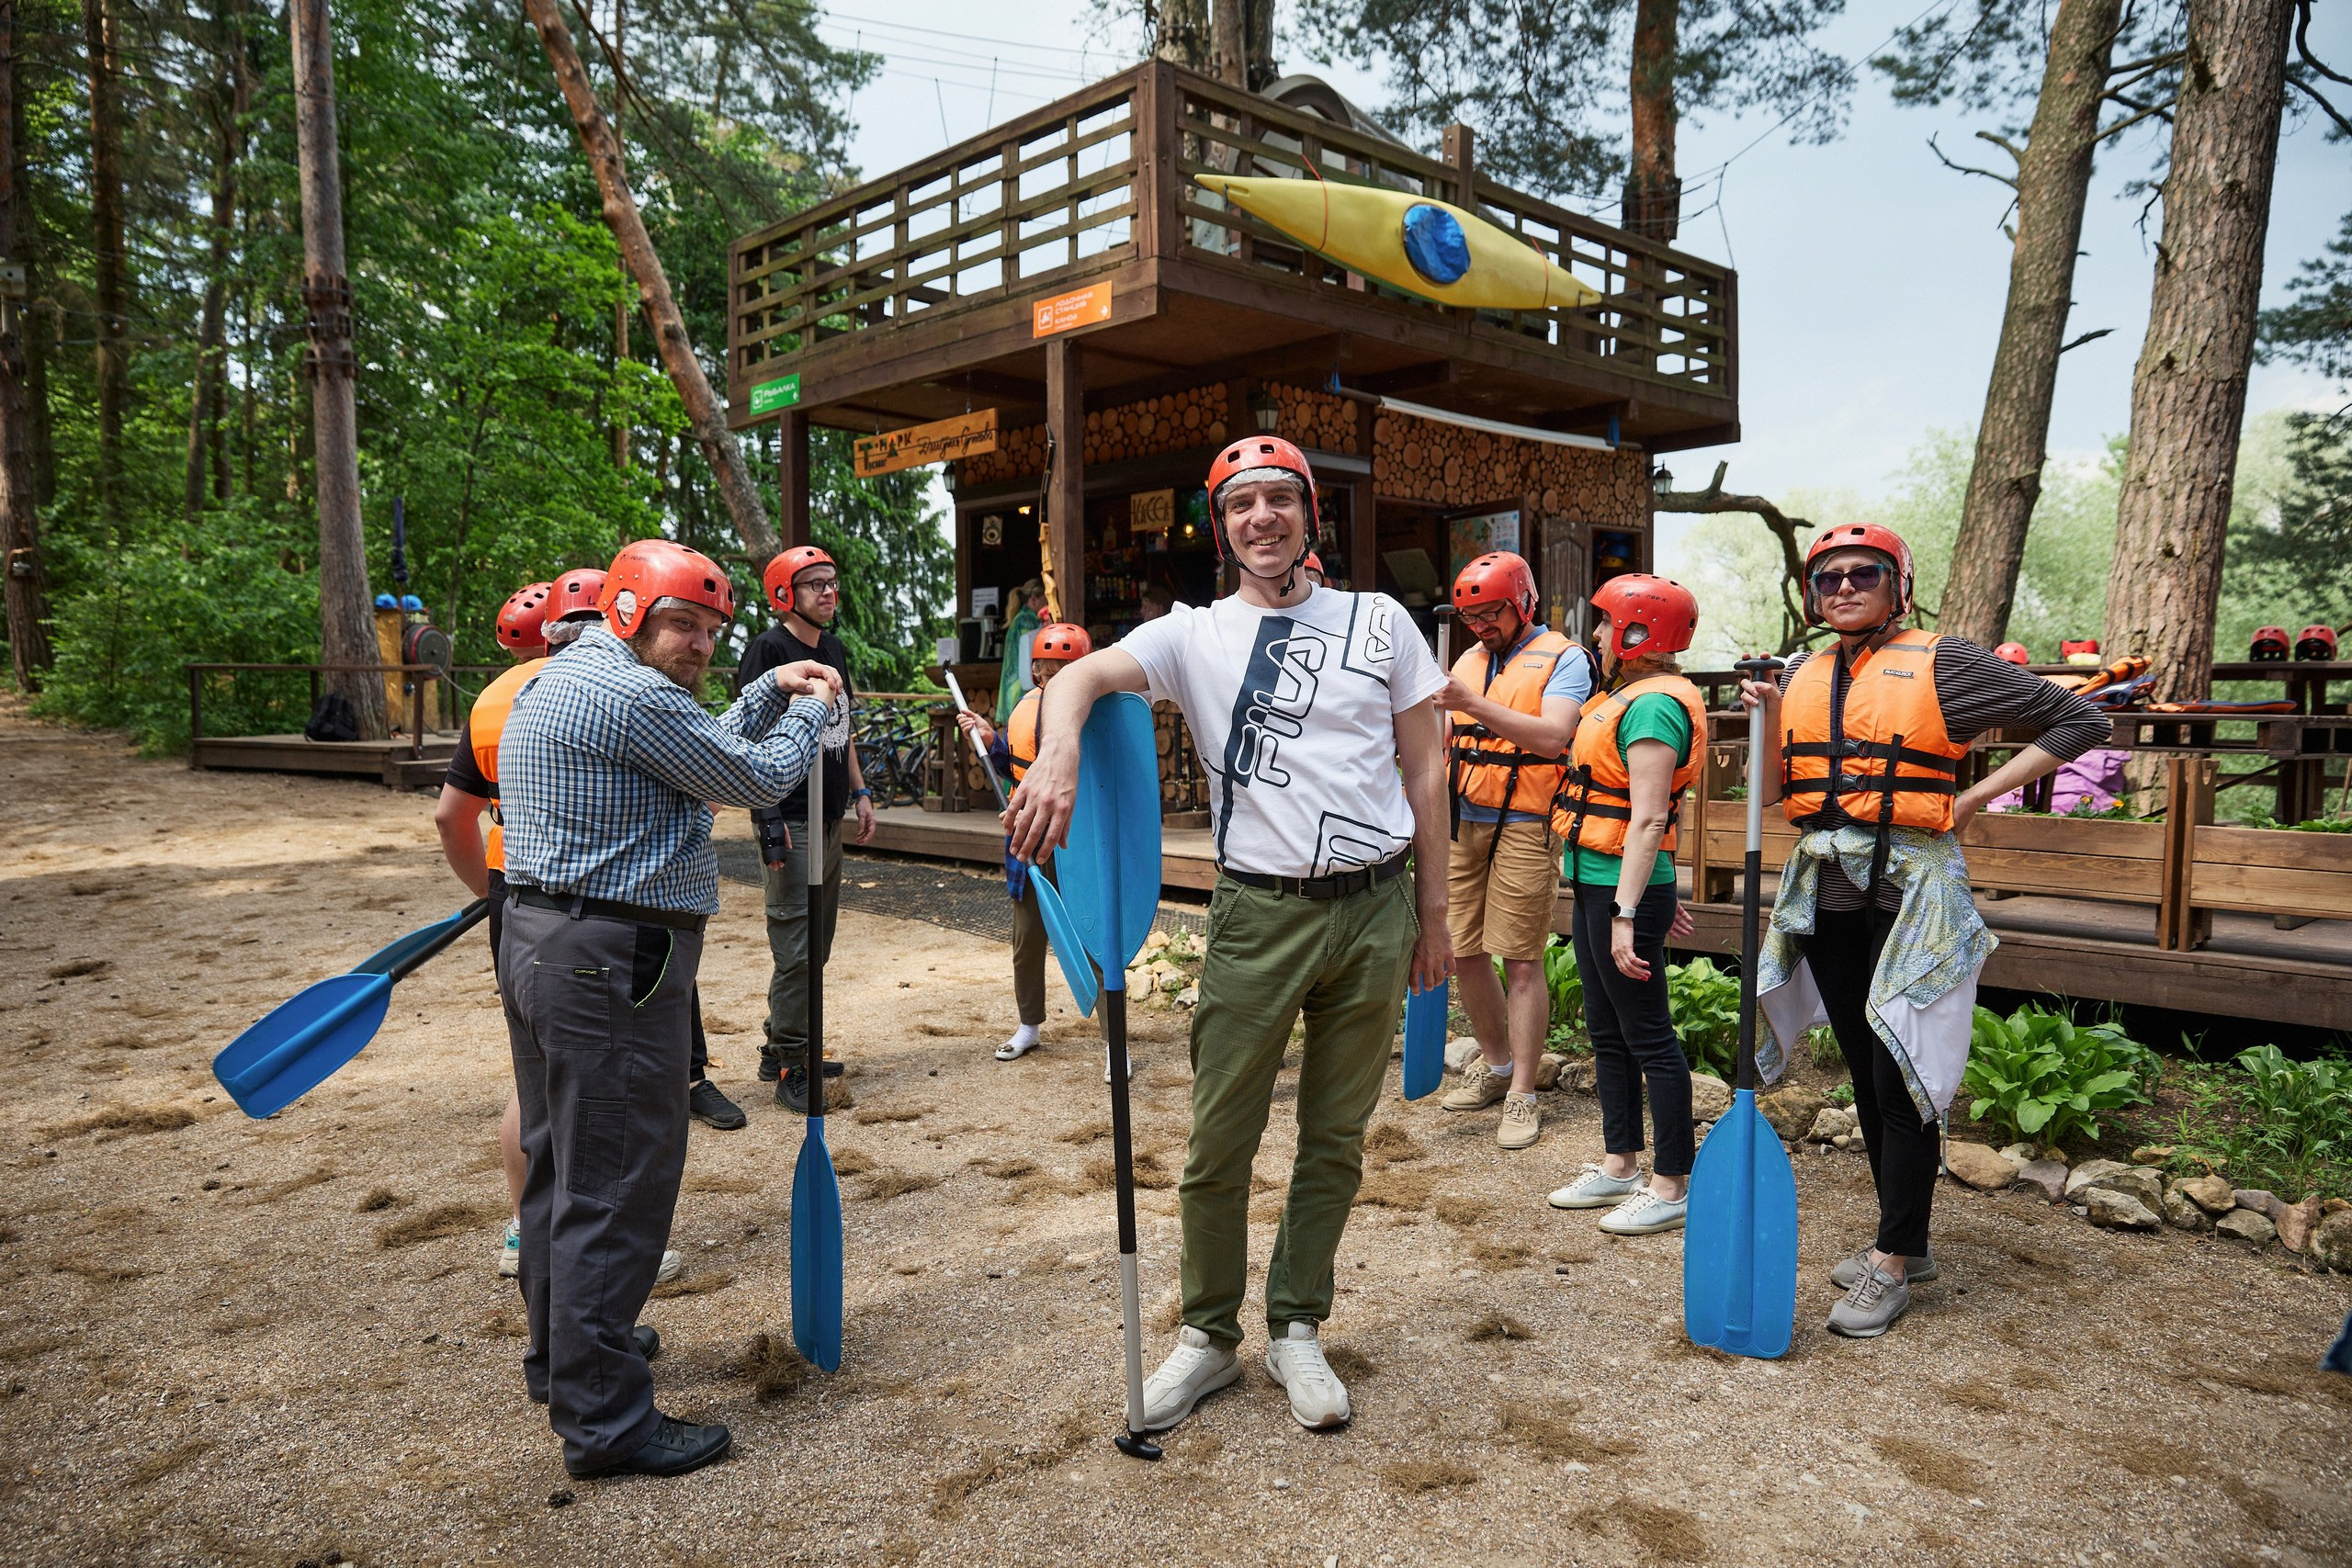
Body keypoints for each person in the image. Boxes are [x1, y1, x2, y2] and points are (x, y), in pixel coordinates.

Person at [1006, 434, 1452, 1436]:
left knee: (1334, 1140)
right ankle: (1208, 1336)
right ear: (1222, 526)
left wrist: (1435, 917)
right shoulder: (1189, 634)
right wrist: (1060, 752)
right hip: (1257, 910)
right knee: (1219, 1142)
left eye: (1279, 501)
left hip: (1377, 907)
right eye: (1241, 504)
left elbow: (1426, 772)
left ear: (1308, 516)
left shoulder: (1380, 620)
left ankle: (1297, 1324)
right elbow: (1073, 678)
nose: (1262, 518)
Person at [497, 537, 839, 1479]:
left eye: (710, 629)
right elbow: (755, 778)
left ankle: (561, 1359)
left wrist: (768, 692)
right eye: (680, 623)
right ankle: (605, 1423)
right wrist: (808, 707)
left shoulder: (568, 677)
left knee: (557, 1164)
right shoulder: (635, 695)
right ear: (626, 613)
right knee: (615, 1185)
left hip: (539, 942)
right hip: (609, 964)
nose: (696, 644)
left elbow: (709, 750)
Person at [1739, 524, 2108, 1338]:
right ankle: (1905, 1235)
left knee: (1903, 1067)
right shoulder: (1803, 669)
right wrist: (1768, 716)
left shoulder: (1945, 660)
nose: (1842, 586)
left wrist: (1976, 798)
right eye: (1826, 576)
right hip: (1830, 891)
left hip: (1912, 892)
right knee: (1870, 1067)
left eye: (1861, 572)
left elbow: (2079, 720)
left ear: (1897, 581)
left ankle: (1895, 1259)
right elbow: (1774, 794)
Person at [1544, 575, 1707, 1236]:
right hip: (1600, 881)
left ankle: (1671, 1183)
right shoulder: (1627, 697)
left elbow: (1645, 821)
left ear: (1641, 634)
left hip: (1622, 891)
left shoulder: (1654, 707)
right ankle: (1620, 1165)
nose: (1599, 637)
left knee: (1650, 1037)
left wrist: (1629, 913)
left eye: (1608, 625)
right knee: (1607, 1031)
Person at [1430, 552, 1592, 1149]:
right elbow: (1442, 738)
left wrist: (1468, 703)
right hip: (1460, 816)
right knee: (1462, 949)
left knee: (1520, 958)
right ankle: (1496, 1065)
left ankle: (1524, 1089)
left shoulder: (1566, 659)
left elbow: (1553, 736)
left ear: (1523, 601)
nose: (1480, 625)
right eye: (1471, 615)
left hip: (1526, 820)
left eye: (1491, 611)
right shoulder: (1468, 659)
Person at [435, 580, 550, 1277]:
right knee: (587, 1076)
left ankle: (521, 1227)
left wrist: (486, 887)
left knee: (529, 1070)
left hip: (509, 889)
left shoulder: (488, 702)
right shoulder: (607, 684)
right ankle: (597, 1235)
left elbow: (451, 817)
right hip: (578, 898)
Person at [735, 546, 876, 1112]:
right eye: (814, 584)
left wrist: (861, 792)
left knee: (817, 941)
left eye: (832, 582)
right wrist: (767, 822)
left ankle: (782, 1042)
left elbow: (842, 729)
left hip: (830, 814)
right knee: (796, 943)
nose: (827, 592)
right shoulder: (770, 650)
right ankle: (793, 1060)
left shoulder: (834, 649)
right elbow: (746, 738)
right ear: (784, 594)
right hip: (789, 817)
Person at [955, 622, 1092, 1064]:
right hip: (1028, 832)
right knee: (1027, 935)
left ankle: (1115, 1040)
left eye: (1068, 673)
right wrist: (991, 738)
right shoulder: (1023, 708)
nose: (1057, 682)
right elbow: (1011, 762)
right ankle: (1029, 1024)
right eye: (1050, 672)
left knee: (1093, 936)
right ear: (1036, 672)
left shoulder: (1100, 713)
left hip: (1078, 836)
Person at [996, 577, 1048, 721]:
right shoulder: (1028, 620)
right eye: (1045, 600)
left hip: (1013, 686)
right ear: (1033, 599)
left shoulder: (1020, 617)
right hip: (1020, 688)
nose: (1046, 604)